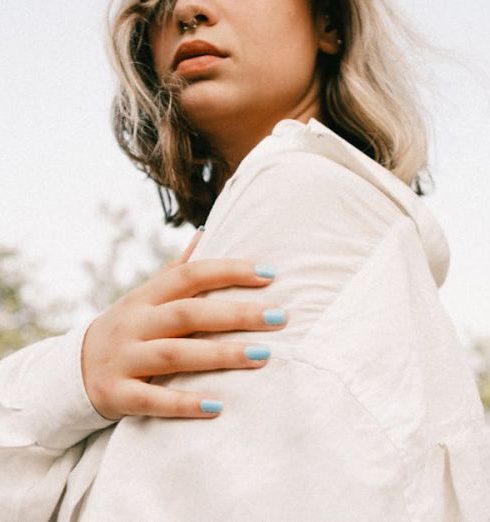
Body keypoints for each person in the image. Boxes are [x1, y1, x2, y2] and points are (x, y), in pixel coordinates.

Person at [1, 0, 489, 520]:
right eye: (161, 4)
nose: (188, 11)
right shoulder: (254, 237)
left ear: (328, 23)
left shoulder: (303, 193)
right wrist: (78, 373)